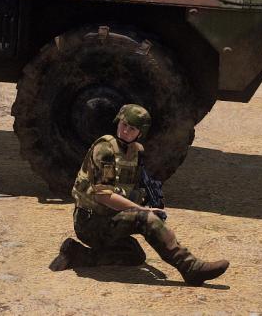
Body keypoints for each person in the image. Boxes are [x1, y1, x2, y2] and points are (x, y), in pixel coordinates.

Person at [48, 104, 230, 286]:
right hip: (90, 222)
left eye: (132, 129)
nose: (125, 131)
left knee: (133, 255)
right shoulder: (105, 150)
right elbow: (103, 196)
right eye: (124, 125)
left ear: (140, 133)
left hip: (109, 217)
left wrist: (147, 199)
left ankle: (77, 254)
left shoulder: (136, 152)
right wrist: (142, 210)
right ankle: (191, 268)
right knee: (145, 219)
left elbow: (132, 186)